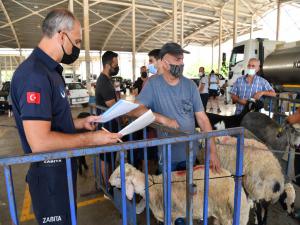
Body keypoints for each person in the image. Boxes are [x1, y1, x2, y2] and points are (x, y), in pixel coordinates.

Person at [10, 9, 121, 225]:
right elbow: (40, 142)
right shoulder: (35, 75)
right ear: (61, 35)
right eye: (77, 41)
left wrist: (79, 123)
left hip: (61, 169)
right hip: (49, 174)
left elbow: (50, 121)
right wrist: (92, 140)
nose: (77, 48)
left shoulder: (51, 72)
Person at [132, 42, 220, 173]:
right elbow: (135, 110)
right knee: (168, 190)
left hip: (190, 152)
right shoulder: (153, 84)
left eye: (182, 59)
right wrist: (163, 119)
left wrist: (212, 151)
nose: (181, 63)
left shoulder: (190, 85)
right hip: (167, 154)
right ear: (164, 62)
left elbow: (202, 119)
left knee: (189, 190)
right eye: (177, 59)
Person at [95, 50, 120, 185]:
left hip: (109, 125)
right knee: (106, 158)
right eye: (115, 64)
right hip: (106, 126)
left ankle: (108, 183)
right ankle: (108, 186)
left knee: (109, 157)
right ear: (108, 65)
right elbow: (113, 106)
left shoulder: (106, 80)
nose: (116, 67)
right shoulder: (104, 82)